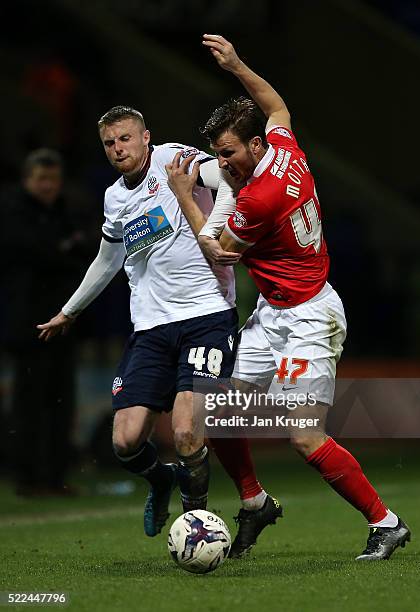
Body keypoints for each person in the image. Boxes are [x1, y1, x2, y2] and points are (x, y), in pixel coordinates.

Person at [166, 35, 411, 561]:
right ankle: (254, 502)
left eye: (227, 153)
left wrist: (189, 195)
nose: (222, 162)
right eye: (217, 155)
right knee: (224, 412)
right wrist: (236, 66)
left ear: (253, 148)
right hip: (273, 312)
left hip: (309, 315)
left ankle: (386, 522)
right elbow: (276, 106)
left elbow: (221, 252)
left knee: (302, 436)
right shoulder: (281, 147)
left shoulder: (258, 196)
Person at [37, 106, 282, 550]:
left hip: (206, 316)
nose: (118, 149)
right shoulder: (115, 197)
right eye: (110, 143)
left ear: (146, 137)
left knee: (188, 432)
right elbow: (108, 259)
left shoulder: (177, 160)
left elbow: (229, 175)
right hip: (150, 327)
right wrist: (70, 311)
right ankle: (161, 480)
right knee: (126, 441)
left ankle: (198, 531)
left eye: (126, 139)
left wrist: (219, 230)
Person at [1, 148, 89, 495]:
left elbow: (85, 248)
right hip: (26, 324)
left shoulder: (66, 210)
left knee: (60, 401)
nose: (48, 185)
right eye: (41, 178)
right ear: (27, 180)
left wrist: (60, 250)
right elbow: (34, 250)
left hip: (63, 321)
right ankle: (27, 478)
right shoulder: (12, 212)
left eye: (53, 178)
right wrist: (63, 249)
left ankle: (55, 477)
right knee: (29, 403)